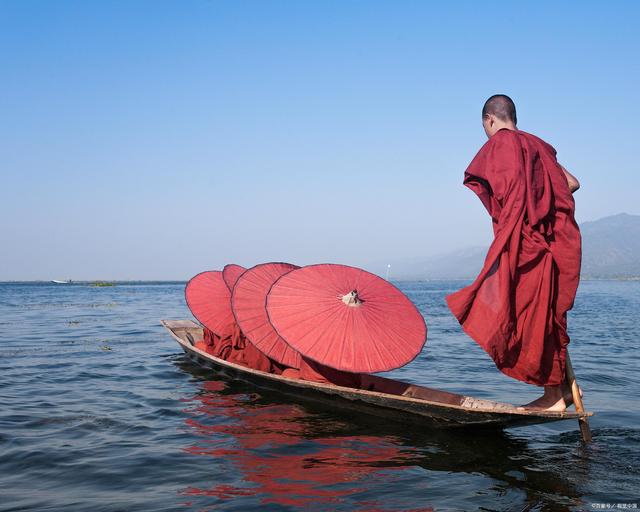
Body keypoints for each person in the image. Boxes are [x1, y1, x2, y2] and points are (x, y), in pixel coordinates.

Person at [446, 94, 581, 411]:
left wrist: (517, 225)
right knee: (545, 317)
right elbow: (572, 183)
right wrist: (541, 206)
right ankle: (559, 393)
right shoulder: (538, 147)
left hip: (527, 243)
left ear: (489, 120)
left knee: (517, 313)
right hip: (553, 245)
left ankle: (554, 395)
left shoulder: (502, 145)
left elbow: (512, 197)